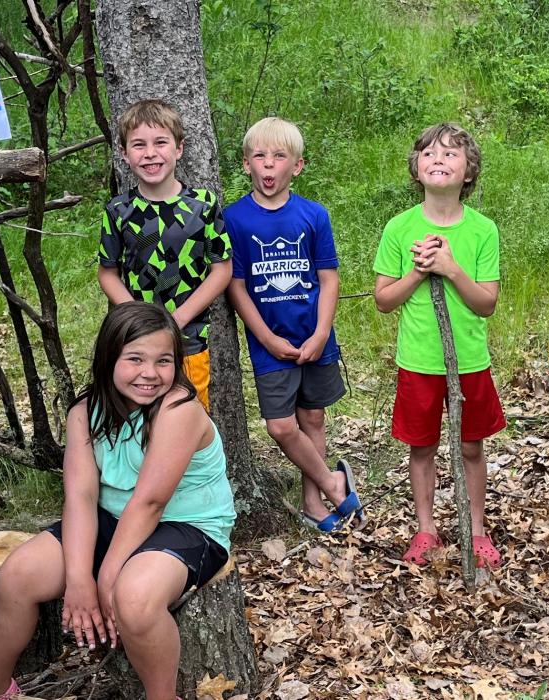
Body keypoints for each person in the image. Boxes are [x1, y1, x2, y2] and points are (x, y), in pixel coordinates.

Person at [0, 302, 236, 700]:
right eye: (135, 359)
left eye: (163, 361)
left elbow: (150, 502)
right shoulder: (85, 413)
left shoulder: (179, 409)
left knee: (134, 598)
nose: (149, 373)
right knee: (17, 576)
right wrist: (79, 580)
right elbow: (80, 495)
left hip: (187, 526)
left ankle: (162, 696)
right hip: (112, 519)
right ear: (109, 358)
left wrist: (106, 575)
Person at [371, 123, 505, 569]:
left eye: (451, 154)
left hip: (469, 360)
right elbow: (384, 300)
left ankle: (477, 529)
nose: (439, 160)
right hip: (419, 360)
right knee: (422, 446)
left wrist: (450, 268)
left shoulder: (483, 230)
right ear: (416, 167)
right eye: (429, 153)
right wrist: (418, 272)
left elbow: (486, 303)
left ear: (469, 171)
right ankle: (426, 529)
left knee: (471, 445)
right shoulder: (400, 228)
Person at [223, 117, 361, 533]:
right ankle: (334, 484)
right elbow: (236, 285)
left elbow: (329, 277)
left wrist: (321, 333)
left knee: (313, 418)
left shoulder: (314, 215)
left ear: (297, 166)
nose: (269, 166)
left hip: (315, 337)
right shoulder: (235, 219)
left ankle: (313, 502)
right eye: (260, 157)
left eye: (279, 157)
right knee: (282, 426)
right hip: (270, 344)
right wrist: (265, 337)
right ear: (246, 164)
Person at [96, 99, 231, 407]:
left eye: (160, 142)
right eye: (138, 144)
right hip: (135, 341)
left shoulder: (204, 205)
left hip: (188, 339)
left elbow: (222, 270)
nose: (150, 153)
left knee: (187, 414)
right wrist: (138, 317)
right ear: (124, 153)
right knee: (137, 417)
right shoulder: (118, 210)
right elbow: (108, 273)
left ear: (178, 148)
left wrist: (179, 317)